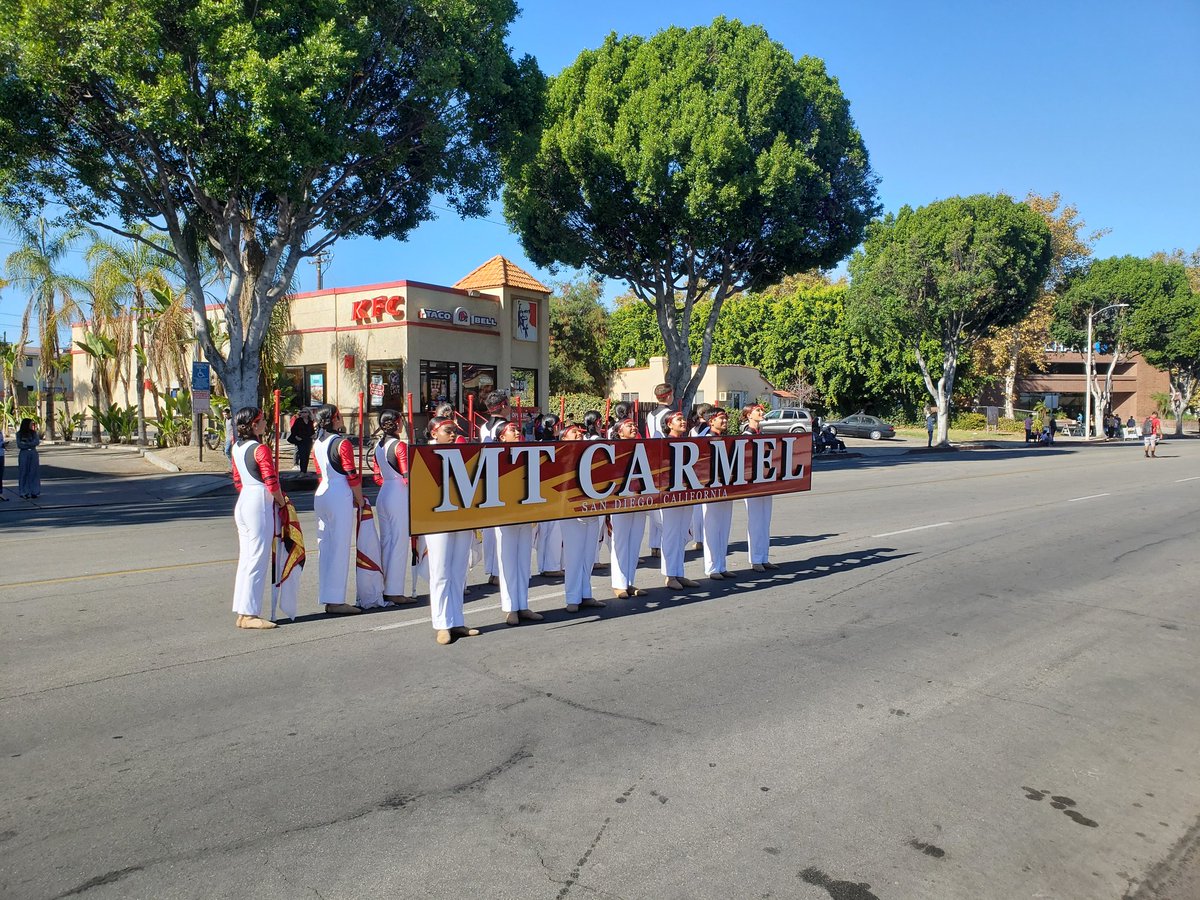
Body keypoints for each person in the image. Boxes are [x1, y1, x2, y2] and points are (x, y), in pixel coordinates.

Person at [424, 416, 481, 644]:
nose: (452, 434)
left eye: (453, 430)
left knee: (459, 570)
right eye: (447, 430)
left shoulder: (461, 451)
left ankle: (457, 619)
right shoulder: (424, 455)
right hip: (436, 518)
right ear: (434, 433)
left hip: (461, 514)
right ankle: (442, 623)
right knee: (440, 571)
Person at [229, 407, 287, 629]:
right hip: (258, 500)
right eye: (262, 420)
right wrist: (281, 501)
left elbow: (237, 479)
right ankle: (250, 613)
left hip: (244, 499)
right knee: (258, 557)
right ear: (254, 424)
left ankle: (243, 611)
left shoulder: (236, 447)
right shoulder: (260, 449)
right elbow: (271, 482)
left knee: (247, 557)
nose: (265, 424)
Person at [311, 404, 365, 616]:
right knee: (340, 547)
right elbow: (351, 475)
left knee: (325, 546)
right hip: (339, 492)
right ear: (334, 419)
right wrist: (359, 498)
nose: (342, 419)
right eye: (339, 416)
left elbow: (318, 471)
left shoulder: (317, 443)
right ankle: (336, 600)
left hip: (322, 492)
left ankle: (328, 596)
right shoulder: (342, 443)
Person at [495, 420, 543, 626]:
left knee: (524, 561)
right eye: (511, 430)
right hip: (505, 514)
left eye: (517, 429)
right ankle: (509, 607)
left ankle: (522, 604)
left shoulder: (527, 453)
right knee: (507, 561)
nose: (516, 432)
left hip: (524, 511)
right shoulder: (494, 456)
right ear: (501, 437)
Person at [558, 422, 607, 613]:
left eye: (580, 432)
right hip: (571, 511)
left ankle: (585, 594)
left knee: (588, 554)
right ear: (564, 437)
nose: (579, 434)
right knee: (573, 555)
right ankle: (572, 597)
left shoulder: (591, 453)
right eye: (574, 432)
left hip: (591, 508)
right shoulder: (560, 455)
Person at [372, 409, 414, 605]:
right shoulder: (399, 446)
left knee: (386, 542)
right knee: (399, 543)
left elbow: (376, 475)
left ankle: (384, 586)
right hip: (397, 493)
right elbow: (408, 475)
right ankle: (394, 590)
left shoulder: (378, 446)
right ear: (397, 423)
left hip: (384, 493)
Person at [659, 411, 700, 591]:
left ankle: (679, 572)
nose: (683, 422)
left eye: (684, 419)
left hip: (687, 492)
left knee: (682, 534)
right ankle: (670, 575)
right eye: (679, 420)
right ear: (669, 424)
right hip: (670, 495)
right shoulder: (662, 444)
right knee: (671, 534)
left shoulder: (689, 443)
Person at [609, 416, 649, 599]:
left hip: (639, 499)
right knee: (621, 541)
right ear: (619, 431)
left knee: (635, 541)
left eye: (634, 424)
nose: (633, 427)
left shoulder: (642, 447)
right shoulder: (613, 450)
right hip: (620, 500)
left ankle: (630, 581)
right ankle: (619, 583)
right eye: (629, 425)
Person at [741, 404, 778, 572]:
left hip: (765, 481)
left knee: (765, 520)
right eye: (757, 411)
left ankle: (764, 556)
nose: (761, 413)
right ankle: (755, 559)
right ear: (749, 415)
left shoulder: (761, 434)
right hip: (752, 484)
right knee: (756, 521)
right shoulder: (746, 435)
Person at [701, 408, 734, 580]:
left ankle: (721, 564)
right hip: (711, 488)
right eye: (721, 418)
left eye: (726, 418)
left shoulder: (727, 440)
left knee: (724, 526)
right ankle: (712, 567)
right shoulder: (704, 440)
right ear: (711, 421)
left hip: (727, 487)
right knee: (712, 527)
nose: (725, 421)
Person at [645, 383, 674, 560]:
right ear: (669, 396)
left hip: (652, 457)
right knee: (664, 505)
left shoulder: (650, 414)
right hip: (665, 457)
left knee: (655, 504)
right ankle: (664, 543)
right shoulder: (670, 414)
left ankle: (654, 544)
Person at [533, 414, 564, 576]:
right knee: (554, 530)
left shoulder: (538, 444)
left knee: (544, 531)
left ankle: (544, 565)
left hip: (540, 492)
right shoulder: (556, 445)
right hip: (553, 491)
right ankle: (551, 566)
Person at [16, 418, 41, 499]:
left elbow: (36, 442)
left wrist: (27, 443)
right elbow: (20, 445)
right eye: (30, 424)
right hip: (24, 453)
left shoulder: (34, 433)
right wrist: (29, 444)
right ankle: (24, 491)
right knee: (23, 472)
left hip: (33, 453)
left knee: (34, 472)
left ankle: (34, 491)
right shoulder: (19, 434)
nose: (32, 425)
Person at [288, 407, 315, 473]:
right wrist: (296, 436)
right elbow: (293, 429)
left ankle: (304, 470)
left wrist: (313, 435)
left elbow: (312, 430)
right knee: (302, 455)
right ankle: (302, 471)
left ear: (308, 413)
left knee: (307, 455)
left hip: (308, 440)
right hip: (300, 440)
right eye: (302, 412)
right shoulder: (298, 420)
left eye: (305, 412)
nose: (303, 413)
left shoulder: (310, 422)